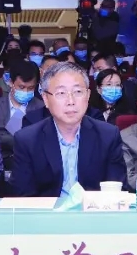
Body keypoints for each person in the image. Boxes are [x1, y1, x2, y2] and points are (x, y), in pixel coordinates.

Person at [10, 61, 127, 197]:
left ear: (88, 95)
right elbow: (24, 198)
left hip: (93, 209)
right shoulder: (27, 140)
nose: (71, 101)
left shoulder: (108, 135)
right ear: (46, 99)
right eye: (61, 93)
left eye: (78, 92)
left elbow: (116, 191)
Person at [0, 59, 44, 170]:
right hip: (1, 162)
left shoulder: (42, 107)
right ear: (11, 82)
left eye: (30, 88)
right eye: (21, 87)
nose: (26, 91)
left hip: (33, 164)